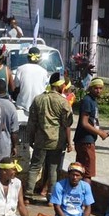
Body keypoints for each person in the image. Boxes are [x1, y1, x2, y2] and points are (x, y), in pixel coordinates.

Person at [26, 72, 73, 201]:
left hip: (40, 140)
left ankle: (27, 196)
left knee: (35, 167)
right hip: (56, 141)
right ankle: (51, 199)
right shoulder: (63, 102)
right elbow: (67, 123)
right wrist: (69, 143)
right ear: (60, 86)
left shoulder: (38, 99)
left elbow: (32, 122)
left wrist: (31, 138)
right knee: (53, 169)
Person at [73, 77, 109, 182]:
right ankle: (86, 198)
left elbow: (92, 122)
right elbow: (84, 123)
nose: (98, 90)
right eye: (96, 88)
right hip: (85, 141)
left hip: (87, 140)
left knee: (81, 170)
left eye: (100, 88)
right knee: (87, 173)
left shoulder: (93, 101)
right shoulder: (87, 101)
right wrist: (100, 133)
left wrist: (102, 131)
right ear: (91, 88)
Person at [14, 46, 48, 122]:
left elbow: (16, 86)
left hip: (22, 106)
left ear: (28, 57)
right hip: (39, 106)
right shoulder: (44, 72)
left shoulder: (20, 69)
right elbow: (44, 88)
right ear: (39, 59)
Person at [0, 79, 19, 160]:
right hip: (5, 146)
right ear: (6, 90)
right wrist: (14, 146)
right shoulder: (11, 106)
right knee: (3, 171)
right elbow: (14, 131)